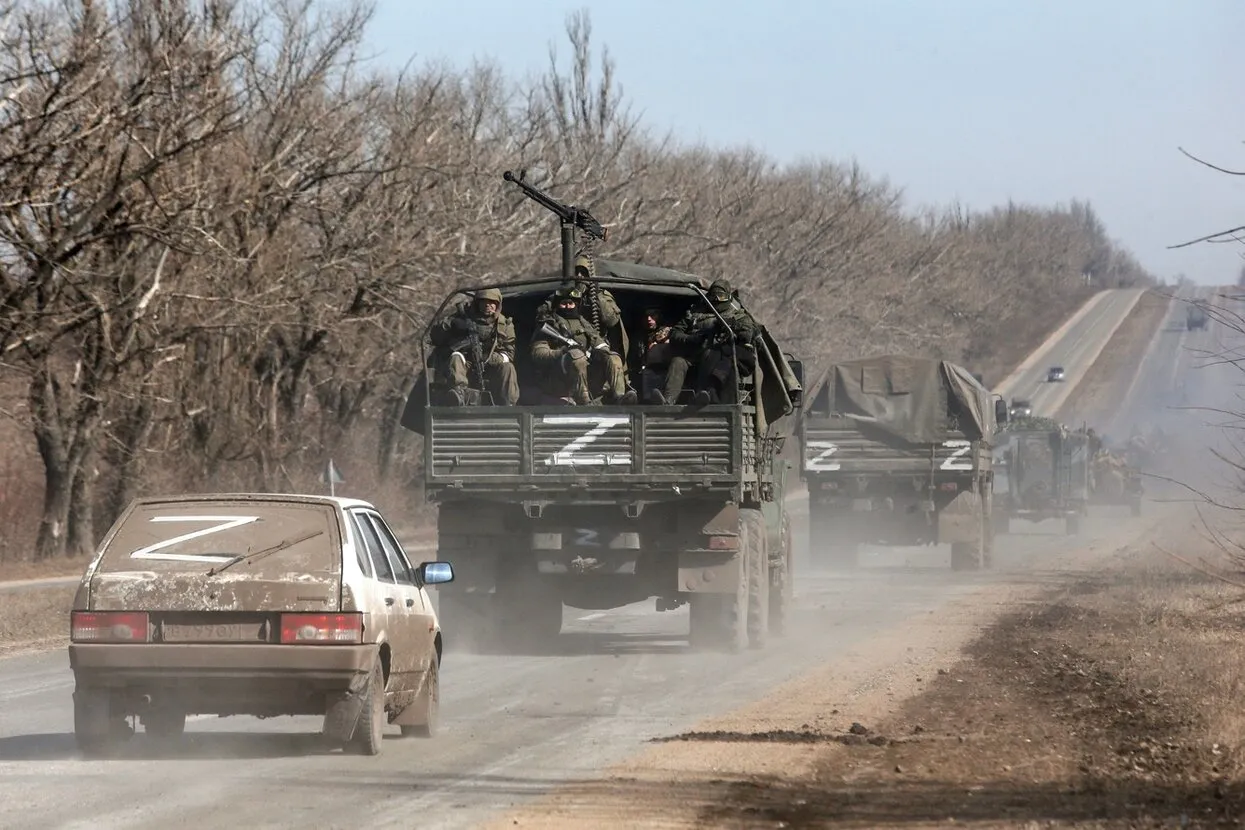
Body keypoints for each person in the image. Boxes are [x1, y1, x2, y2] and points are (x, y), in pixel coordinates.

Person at [530, 285, 637, 405]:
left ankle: (620, 397)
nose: (567, 307)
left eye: (571, 303)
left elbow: (600, 344)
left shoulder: (584, 323)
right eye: (563, 304)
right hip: (560, 375)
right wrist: (563, 351)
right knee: (577, 356)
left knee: (613, 357)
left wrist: (599, 353)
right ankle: (584, 401)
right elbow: (538, 353)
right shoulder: (549, 325)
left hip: (588, 371)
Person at [668, 278, 760, 405]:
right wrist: (692, 339)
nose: (716, 300)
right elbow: (674, 333)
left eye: (721, 297)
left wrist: (730, 326)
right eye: (713, 296)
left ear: (728, 297)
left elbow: (748, 333)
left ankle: (703, 396)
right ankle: (668, 401)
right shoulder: (694, 313)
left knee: (710, 356)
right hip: (694, 354)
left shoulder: (738, 316)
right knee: (677, 362)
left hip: (718, 356)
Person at [427, 287, 519, 406]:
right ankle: (458, 394)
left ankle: (508, 405)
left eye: (492, 302)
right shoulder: (462, 317)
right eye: (484, 301)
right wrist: (452, 324)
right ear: (477, 303)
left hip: (490, 368)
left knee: (508, 367)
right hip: (465, 367)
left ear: (498, 305)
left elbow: (509, 353)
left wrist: (487, 358)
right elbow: (435, 336)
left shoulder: (504, 325)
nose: (488, 305)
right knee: (455, 357)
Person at [633, 306, 689, 404]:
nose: (649, 319)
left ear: (659, 316)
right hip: (648, 373)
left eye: (652, 315)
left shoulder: (671, 332)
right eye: (646, 316)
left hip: (668, 372)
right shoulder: (640, 337)